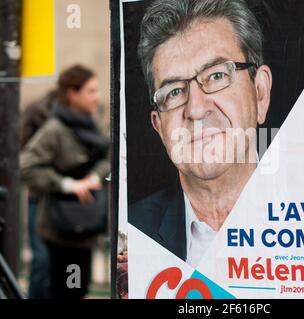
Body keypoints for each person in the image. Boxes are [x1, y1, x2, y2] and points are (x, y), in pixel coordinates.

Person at [128, 0, 272, 267]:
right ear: (159, 127)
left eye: (217, 76)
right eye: (173, 92)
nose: (195, 109)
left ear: (260, 93)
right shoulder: (131, 233)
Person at [20, 65, 110, 298]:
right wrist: (66, 184)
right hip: (61, 227)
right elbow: (26, 166)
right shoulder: (55, 130)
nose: (97, 97)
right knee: (65, 289)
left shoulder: (93, 124)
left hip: (86, 226)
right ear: (73, 94)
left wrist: (94, 176)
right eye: (91, 91)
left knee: (77, 290)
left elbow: (107, 157)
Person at [20, 90, 57, 298]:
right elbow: (25, 157)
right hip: (41, 196)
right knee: (42, 259)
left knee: (67, 261)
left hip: (68, 201)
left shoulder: (77, 118)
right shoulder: (37, 113)